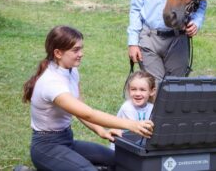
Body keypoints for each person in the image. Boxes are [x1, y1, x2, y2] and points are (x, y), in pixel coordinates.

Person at [21, 25, 154, 171]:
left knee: (120, 160)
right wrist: (132, 125)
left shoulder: (71, 71)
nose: (81, 53)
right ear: (58, 53)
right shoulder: (52, 83)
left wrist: (102, 131)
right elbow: (88, 114)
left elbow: (79, 108)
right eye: (75, 50)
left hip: (66, 141)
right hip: (46, 148)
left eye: (81, 48)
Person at [110, 70, 156, 150]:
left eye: (142, 90)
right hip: (122, 149)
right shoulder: (127, 108)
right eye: (133, 89)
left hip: (140, 147)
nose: (137, 94)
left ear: (152, 91)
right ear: (128, 90)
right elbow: (137, 132)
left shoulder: (152, 107)